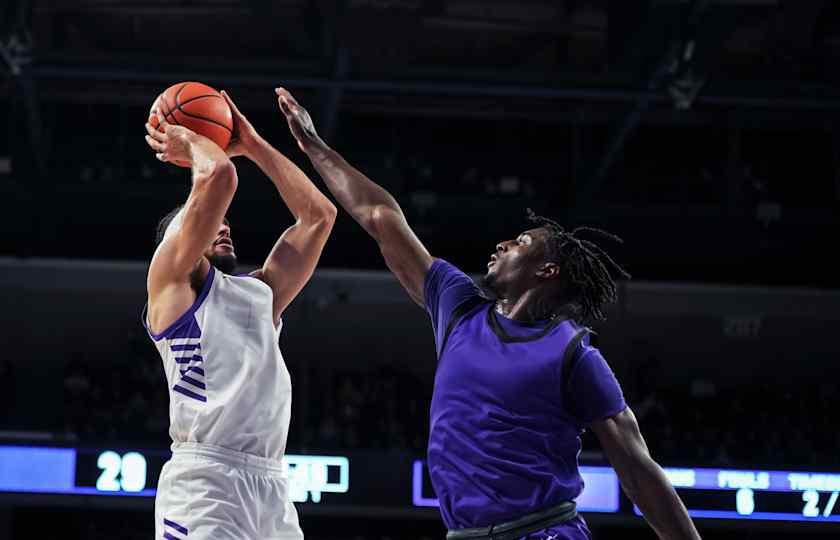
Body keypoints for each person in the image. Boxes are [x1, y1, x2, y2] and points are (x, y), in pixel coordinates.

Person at [274, 87, 701, 540]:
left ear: (547, 270)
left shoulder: (573, 353)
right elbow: (380, 215)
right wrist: (315, 147)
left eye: (521, 242)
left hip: (544, 533)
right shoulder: (459, 307)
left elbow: (638, 470)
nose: (502, 244)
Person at [142, 88, 337, 540]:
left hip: (271, 483)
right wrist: (189, 139)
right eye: (213, 224)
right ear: (180, 239)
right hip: (205, 480)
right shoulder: (172, 283)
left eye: (227, 222)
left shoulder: (261, 293)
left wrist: (252, 144)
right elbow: (219, 177)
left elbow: (319, 217)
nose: (224, 225)